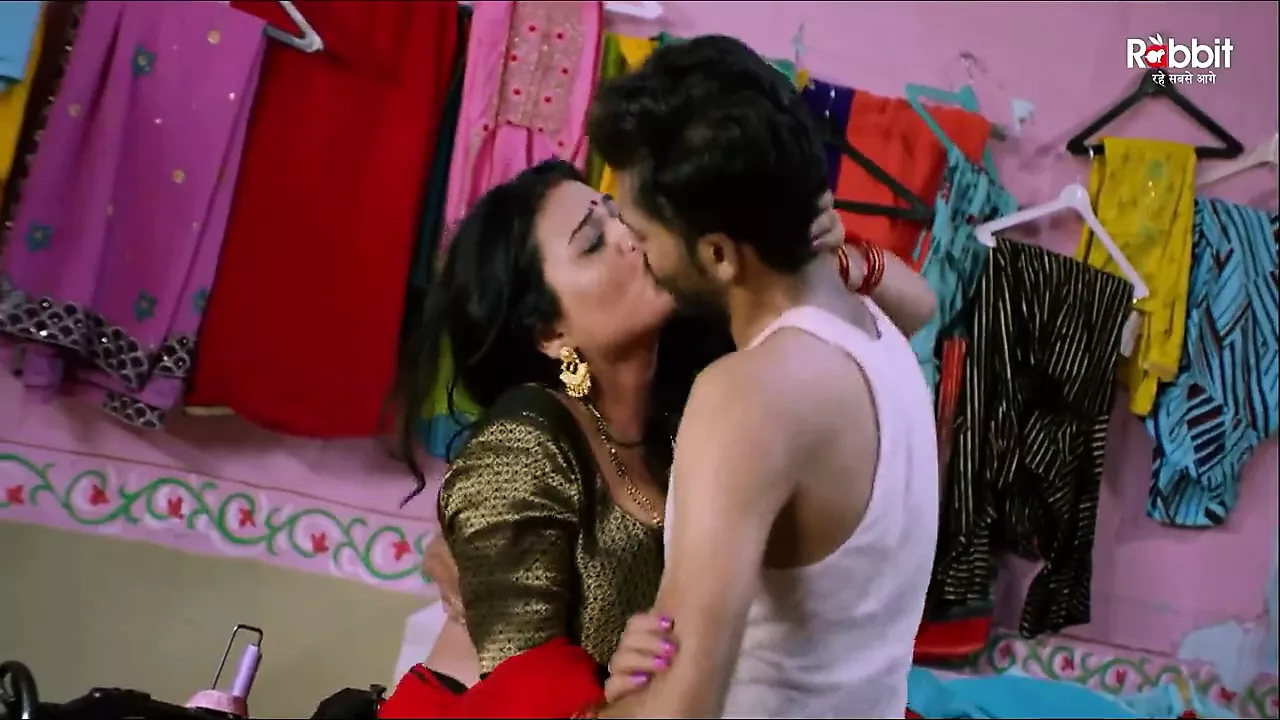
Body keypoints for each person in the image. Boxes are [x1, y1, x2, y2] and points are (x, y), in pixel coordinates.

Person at [582, 35, 940, 718]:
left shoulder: (749, 397)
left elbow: (680, 708)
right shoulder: (878, 335)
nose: (633, 250)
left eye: (642, 234)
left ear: (718, 255)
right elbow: (920, 302)